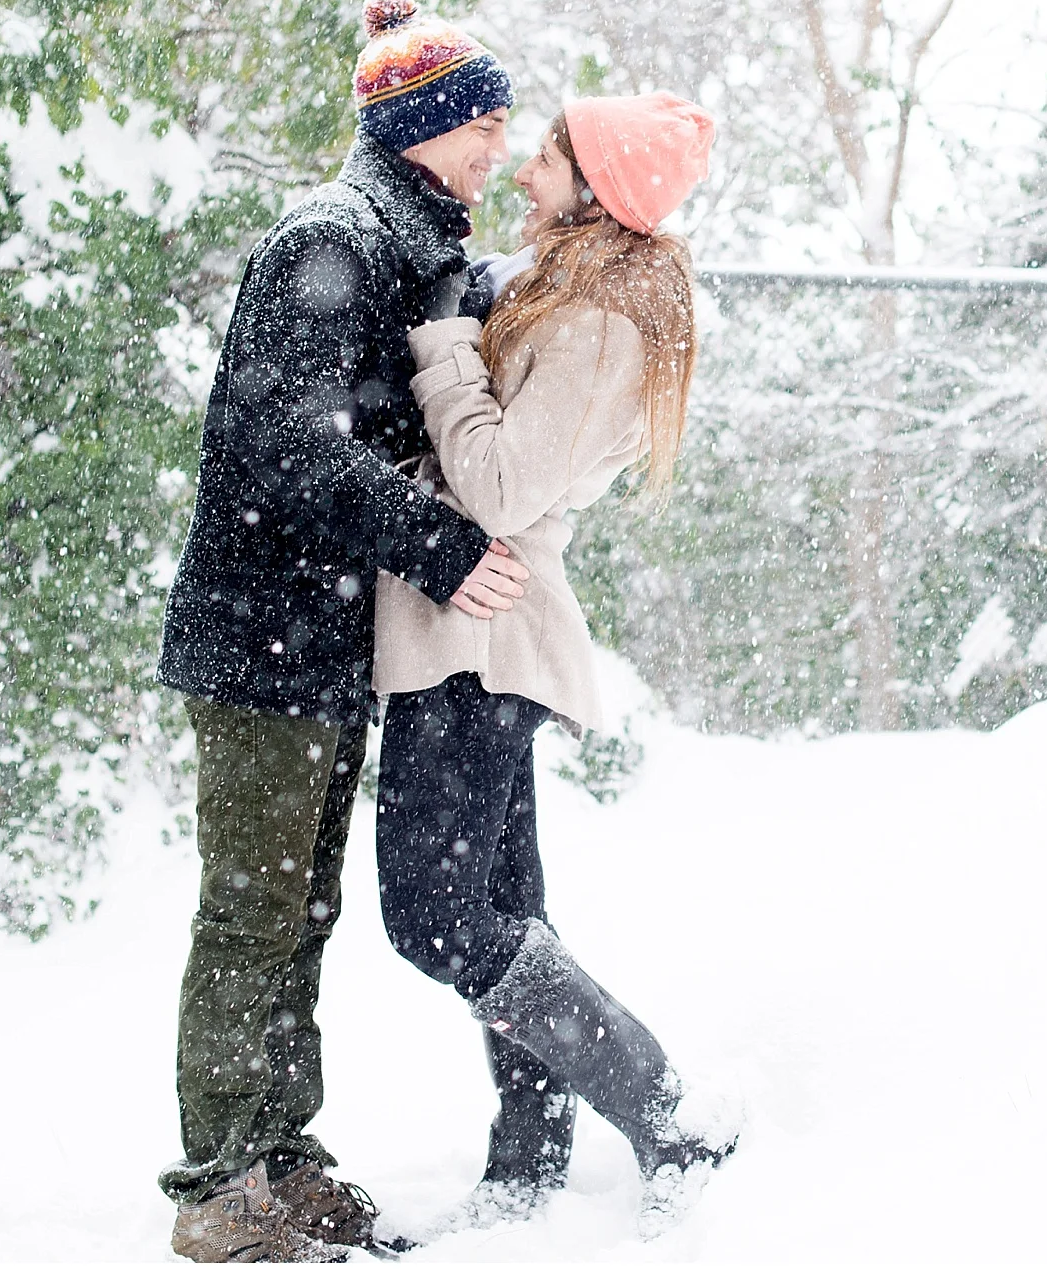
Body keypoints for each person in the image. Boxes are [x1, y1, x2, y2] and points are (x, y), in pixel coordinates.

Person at [155, 0, 534, 1263]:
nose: (497, 143)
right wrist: (441, 547)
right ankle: (220, 1187)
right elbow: (279, 441)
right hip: (261, 634)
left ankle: (279, 1155)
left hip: (318, 642)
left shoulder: (402, 236)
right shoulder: (331, 240)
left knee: (296, 906)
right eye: (480, 121)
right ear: (421, 123)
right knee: (254, 912)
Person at [369, 92, 737, 1236]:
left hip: (478, 639)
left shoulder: (596, 325)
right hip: (474, 636)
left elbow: (496, 489)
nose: (527, 171)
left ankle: (664, 1106)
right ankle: (528, 1153)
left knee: (433, 916)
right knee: (503, 905)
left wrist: (438, 349)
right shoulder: (571, 297)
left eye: (550, 157)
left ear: (597, 186)